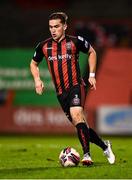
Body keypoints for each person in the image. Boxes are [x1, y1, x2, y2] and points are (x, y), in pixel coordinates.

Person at [30, 12, 115, 166]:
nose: (53, 30)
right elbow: (33, 63)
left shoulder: (76, 42)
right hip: (61, 93)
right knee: (81, 125)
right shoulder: (43, 46)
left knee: (77, 114)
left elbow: (92, 52)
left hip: (76, 85)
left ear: (65, 26)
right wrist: (37, 80)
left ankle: (87, 155)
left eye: (56, 26)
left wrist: (92, 74)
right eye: (50, 27)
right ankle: (104, 146)